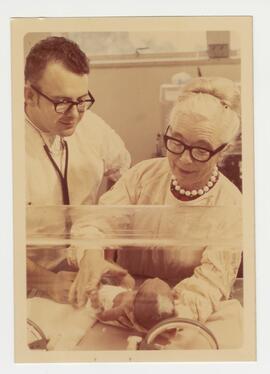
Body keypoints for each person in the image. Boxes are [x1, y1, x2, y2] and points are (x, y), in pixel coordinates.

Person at [69, 77, 243, 348]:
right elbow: (95, 223)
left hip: (179, 318)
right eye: (176, 142)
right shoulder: (142, 176)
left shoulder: (231, 204)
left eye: (201, 150)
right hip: (116, 303)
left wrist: (149, 309)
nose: (184, 158)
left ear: (223, 152)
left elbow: (207, 287)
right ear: (167, 132)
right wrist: (91, 253)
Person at [25, 36, 132, 303]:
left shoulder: (93, 128)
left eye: (81, 100)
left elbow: (127, 182)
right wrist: (45, 280)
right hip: (23, 282)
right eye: (61, 102)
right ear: (29, 95)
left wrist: (104, 252)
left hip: (88, 274)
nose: (74, 114)